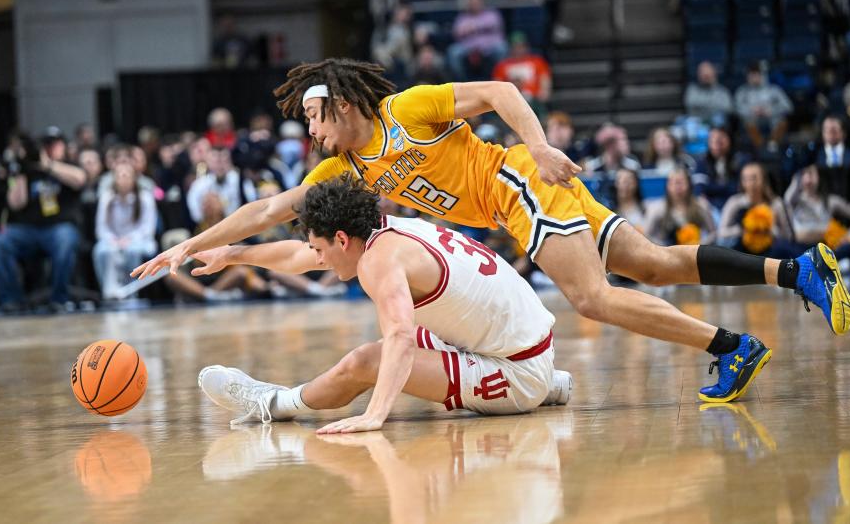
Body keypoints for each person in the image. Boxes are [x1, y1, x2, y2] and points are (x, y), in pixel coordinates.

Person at [136, 58, 850, 405]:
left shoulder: (407, 110)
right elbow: (269, 212)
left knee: (594, 299)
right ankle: (799, 273)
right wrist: (191, 245)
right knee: (658, 263)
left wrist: (538, 146)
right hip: (522, 202)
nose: (311, 133)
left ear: (338, 103)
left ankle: (734, 347)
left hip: (520, 183)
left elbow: (502, 92)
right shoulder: (345, 173)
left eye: (313, 118)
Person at [195, 175, 573, 430]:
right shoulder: (384, 233)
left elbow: (401, 338)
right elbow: (297, 257)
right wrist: (232, 254)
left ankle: (273, 404)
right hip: (527, 346)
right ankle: (548, 383)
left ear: (341, 239)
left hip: (516, 371)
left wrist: (375, 415)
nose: (317, 258)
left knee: (368, 361)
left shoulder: (379, 261)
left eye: (320, 248)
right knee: (410, 335)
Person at [0, 132, 87, 310]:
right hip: (27, 230)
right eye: (46, 144)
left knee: (65, 239)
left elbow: (80, 179)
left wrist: (48, 165)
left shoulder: (67, 165)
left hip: (58, 228)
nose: (50, 148)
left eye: (55, 144)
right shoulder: (24, 170)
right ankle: (12, 300)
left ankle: (59, 299)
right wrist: (21, 170)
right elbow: (15, 203)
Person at [93, 164, 158, 300]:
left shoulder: (145, 197)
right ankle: (109, 292)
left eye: (127, 175)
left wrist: (129, 239)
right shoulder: (107, 197)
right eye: (120, 175)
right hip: (113, 240)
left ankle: (131, 293)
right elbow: (101, 227)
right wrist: (113, 240)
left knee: (132, 251)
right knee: (101, 251)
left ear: (134, 179)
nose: (123, 179)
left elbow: (147, 228)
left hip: (139, 240)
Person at [645, 167, 717, 246]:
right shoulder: (657, 208)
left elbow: (714, 234)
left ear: (689, 184)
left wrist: (699, 244)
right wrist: (664, 247)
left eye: (681, 182)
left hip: (695, 251)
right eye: (673, 182)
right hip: (667, 253)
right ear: (667, 186)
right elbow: (646, 236)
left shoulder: (701, 205)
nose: (677, 187)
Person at [734, 62, 793, 150]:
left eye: (757, 74)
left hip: (772, 119)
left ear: (762, 74)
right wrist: (751, 110)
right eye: (752, 74)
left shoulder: (774, 89)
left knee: (782, 122)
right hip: (752, 120)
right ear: (747, 76)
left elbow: (788, 106)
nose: (754, 77)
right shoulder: (742, 91)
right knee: (748, 122)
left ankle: (773, 144)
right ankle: (760, 147)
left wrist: (771, 110)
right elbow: (735, 108)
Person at [683, 61, 733, 127]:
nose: (705, 77)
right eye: (703, 74)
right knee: (686, 122)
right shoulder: (692, 89)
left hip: (716, 125)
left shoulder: (722, 91)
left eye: (707, 74)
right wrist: (713, 107)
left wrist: (701, 107)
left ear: (714, 74)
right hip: (697, 124)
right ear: (698, 75)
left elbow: (727, 108)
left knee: (719, 119)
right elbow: (690, 104)